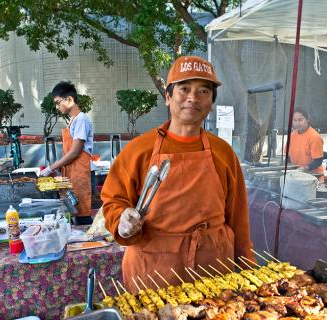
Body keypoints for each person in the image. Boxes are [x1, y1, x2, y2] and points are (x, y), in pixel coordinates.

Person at [101, 55, 255, 291]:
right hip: (155, 269)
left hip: (213, 268)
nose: (193, 98)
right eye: (184, 89)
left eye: (204, 91)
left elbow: (238, 218)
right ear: (168, 97)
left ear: (211, 102)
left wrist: (247, 269)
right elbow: (113, 201)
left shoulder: (223, 152)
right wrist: (122, 220)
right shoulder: (138, 150)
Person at [40, 81, 94, 225]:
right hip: (71, 170)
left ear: (69, 99)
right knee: (74, 207)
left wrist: (51, 167)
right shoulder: (73, 120)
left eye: (58, 103)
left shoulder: (81, 120)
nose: (57, 107)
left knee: (82, 212)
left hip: (79, 171)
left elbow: (75, 151)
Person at [288, 108, 325, 181]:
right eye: (295, 120)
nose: (297, 123)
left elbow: (318, 161)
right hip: (297, 176)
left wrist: (303, 168)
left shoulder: (314, 137)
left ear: (307, 120)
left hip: (314, 178)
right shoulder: (292, 135)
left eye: (300, 120)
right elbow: (288, 156)